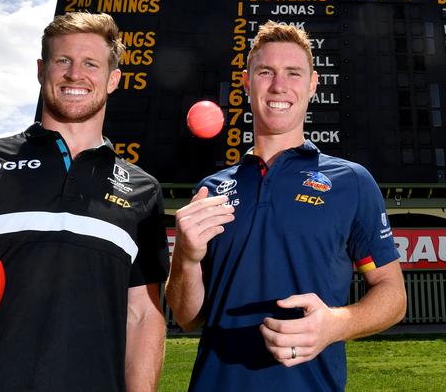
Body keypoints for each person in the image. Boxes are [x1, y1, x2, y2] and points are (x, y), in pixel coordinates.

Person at [0, 12, 169, 391]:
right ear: (42, 70)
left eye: (90, 63)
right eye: (63, 61)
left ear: (113, 79)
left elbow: (142, 314)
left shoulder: (144, 190)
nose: (75, 74)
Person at [166, 20, 406, 391]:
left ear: (312, 85)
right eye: (266, 72)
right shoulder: (210, 191)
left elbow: (393, 294)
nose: (279, 86)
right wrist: (185, 257)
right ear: (247, 82)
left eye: (294, 73)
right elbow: (187, 317)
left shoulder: (353, 182)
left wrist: (335, 325)